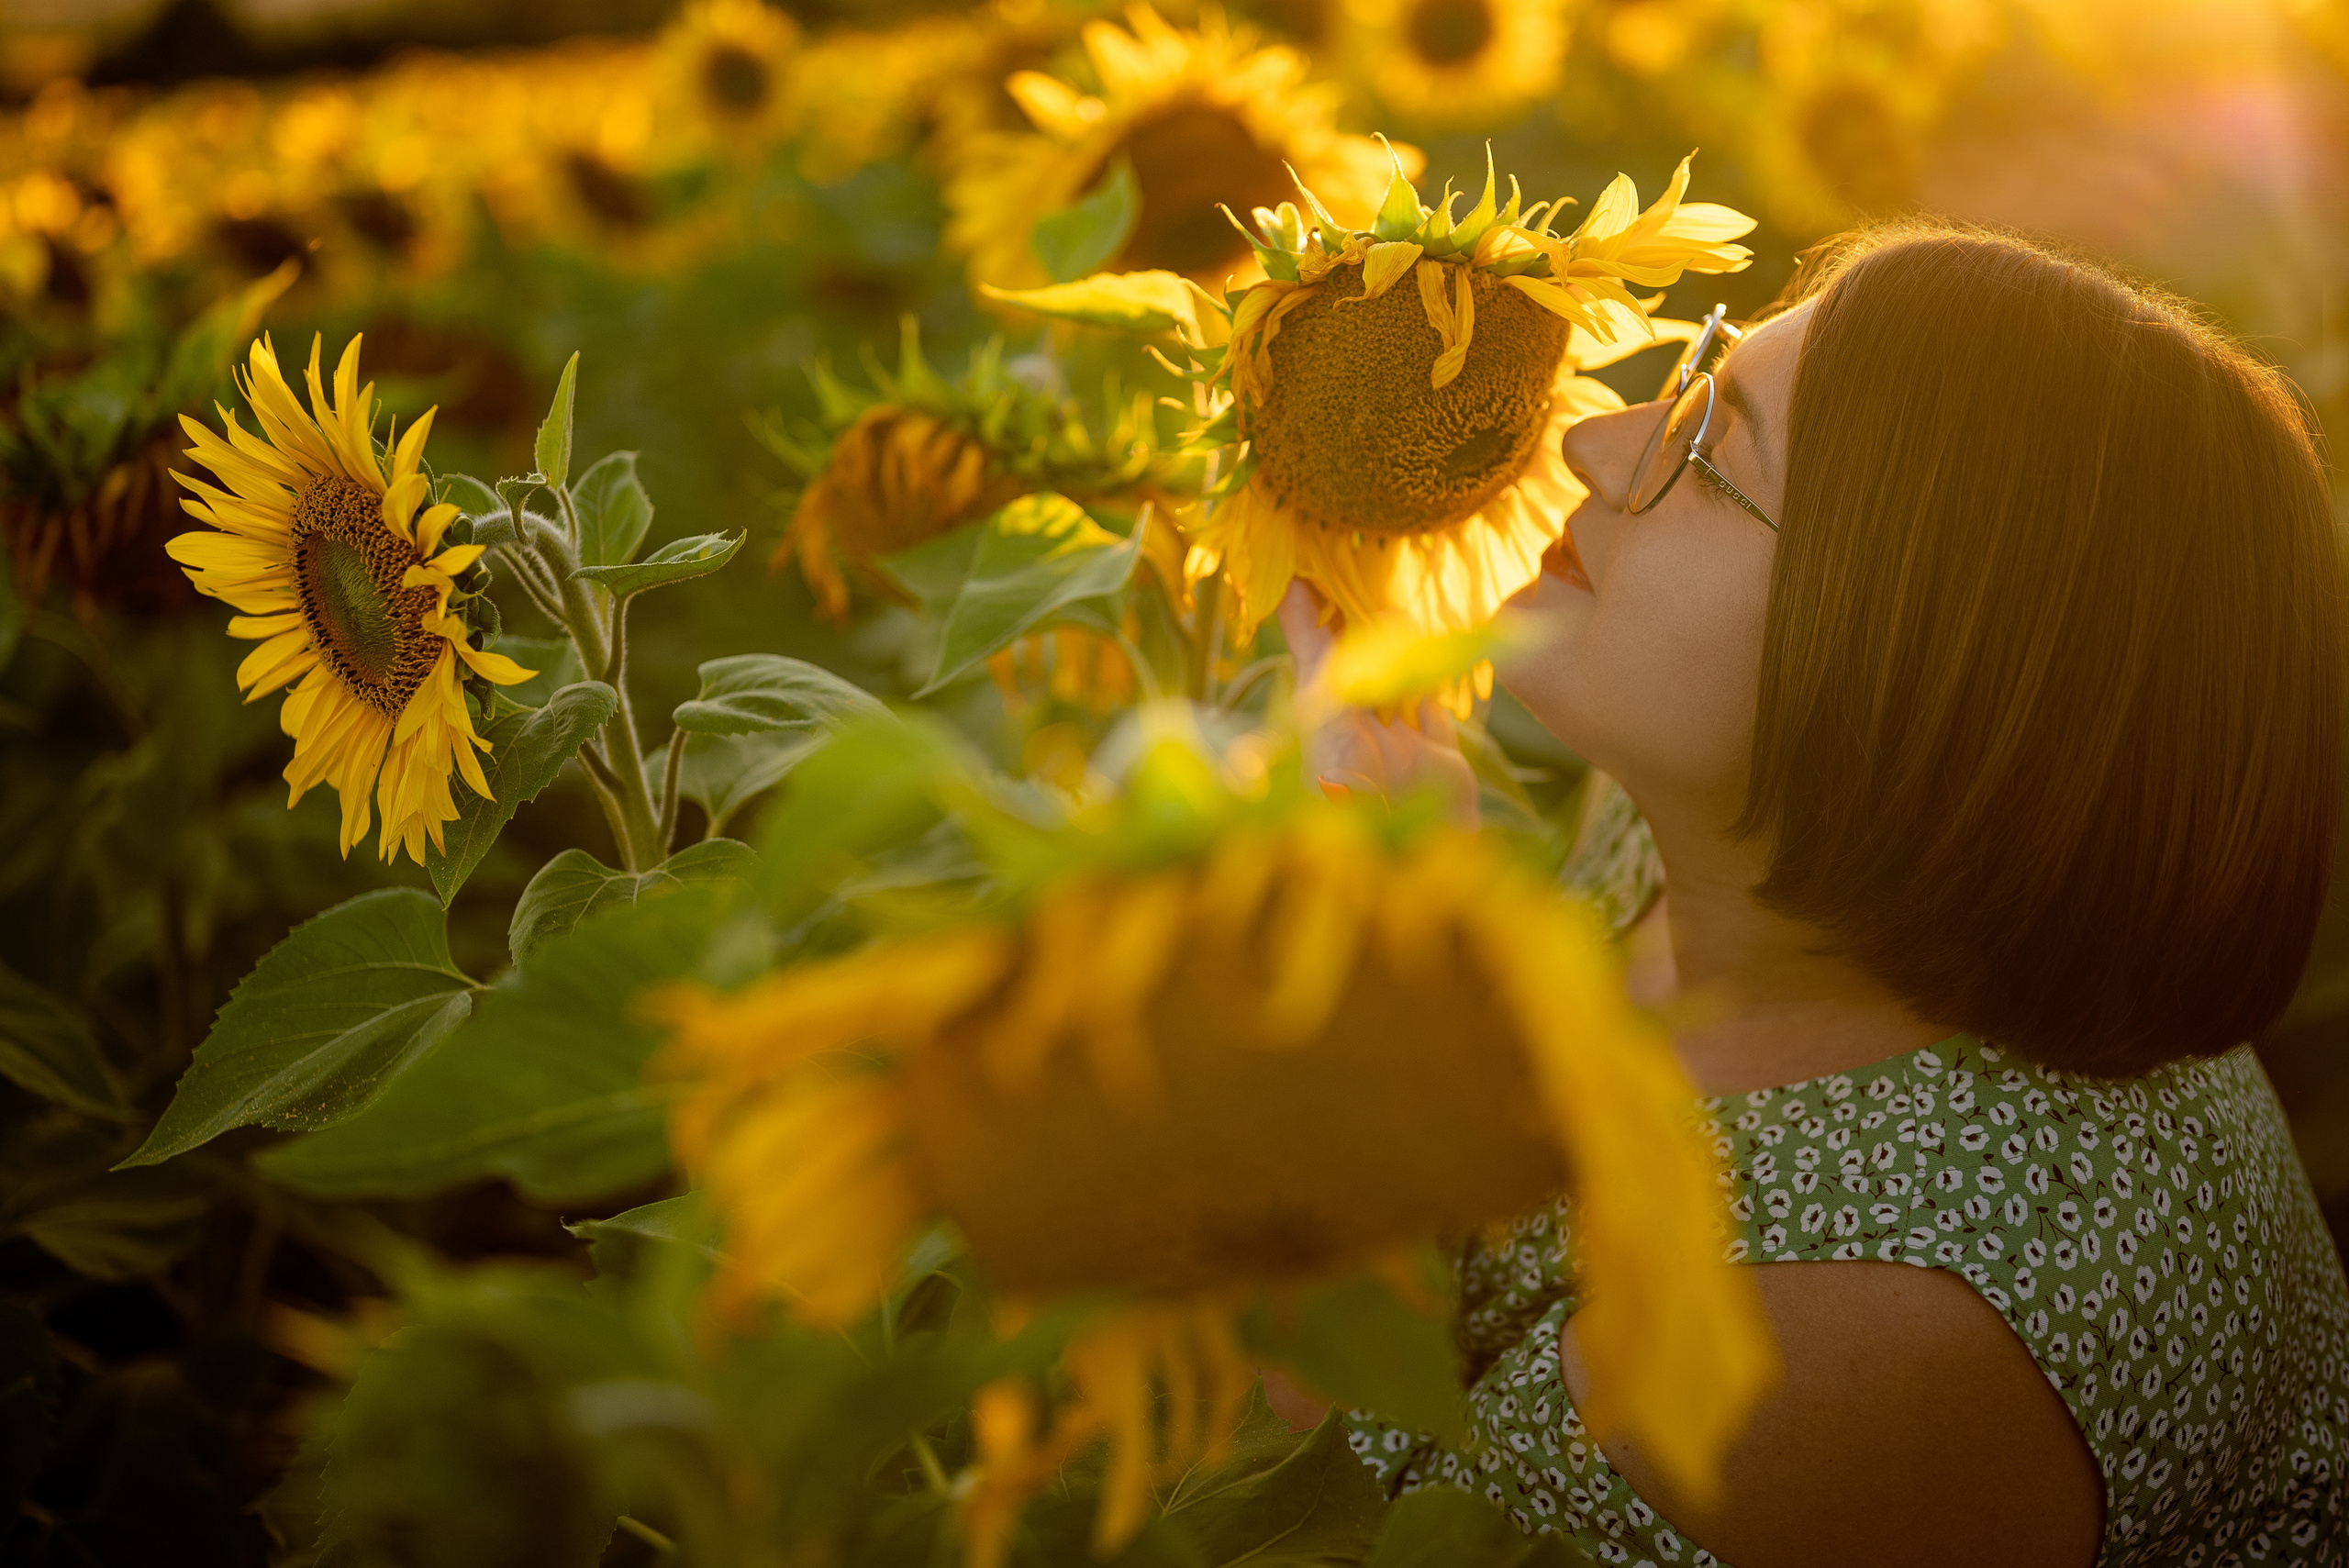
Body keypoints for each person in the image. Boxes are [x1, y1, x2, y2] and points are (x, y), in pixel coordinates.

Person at [1269, 220, 2349, 1567]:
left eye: (1712, 453)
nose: (1591, 445)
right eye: (1706, 370)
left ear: (1907, 673)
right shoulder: (1734, 836)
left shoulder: (1874, 1333)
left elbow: (1295, 1526)